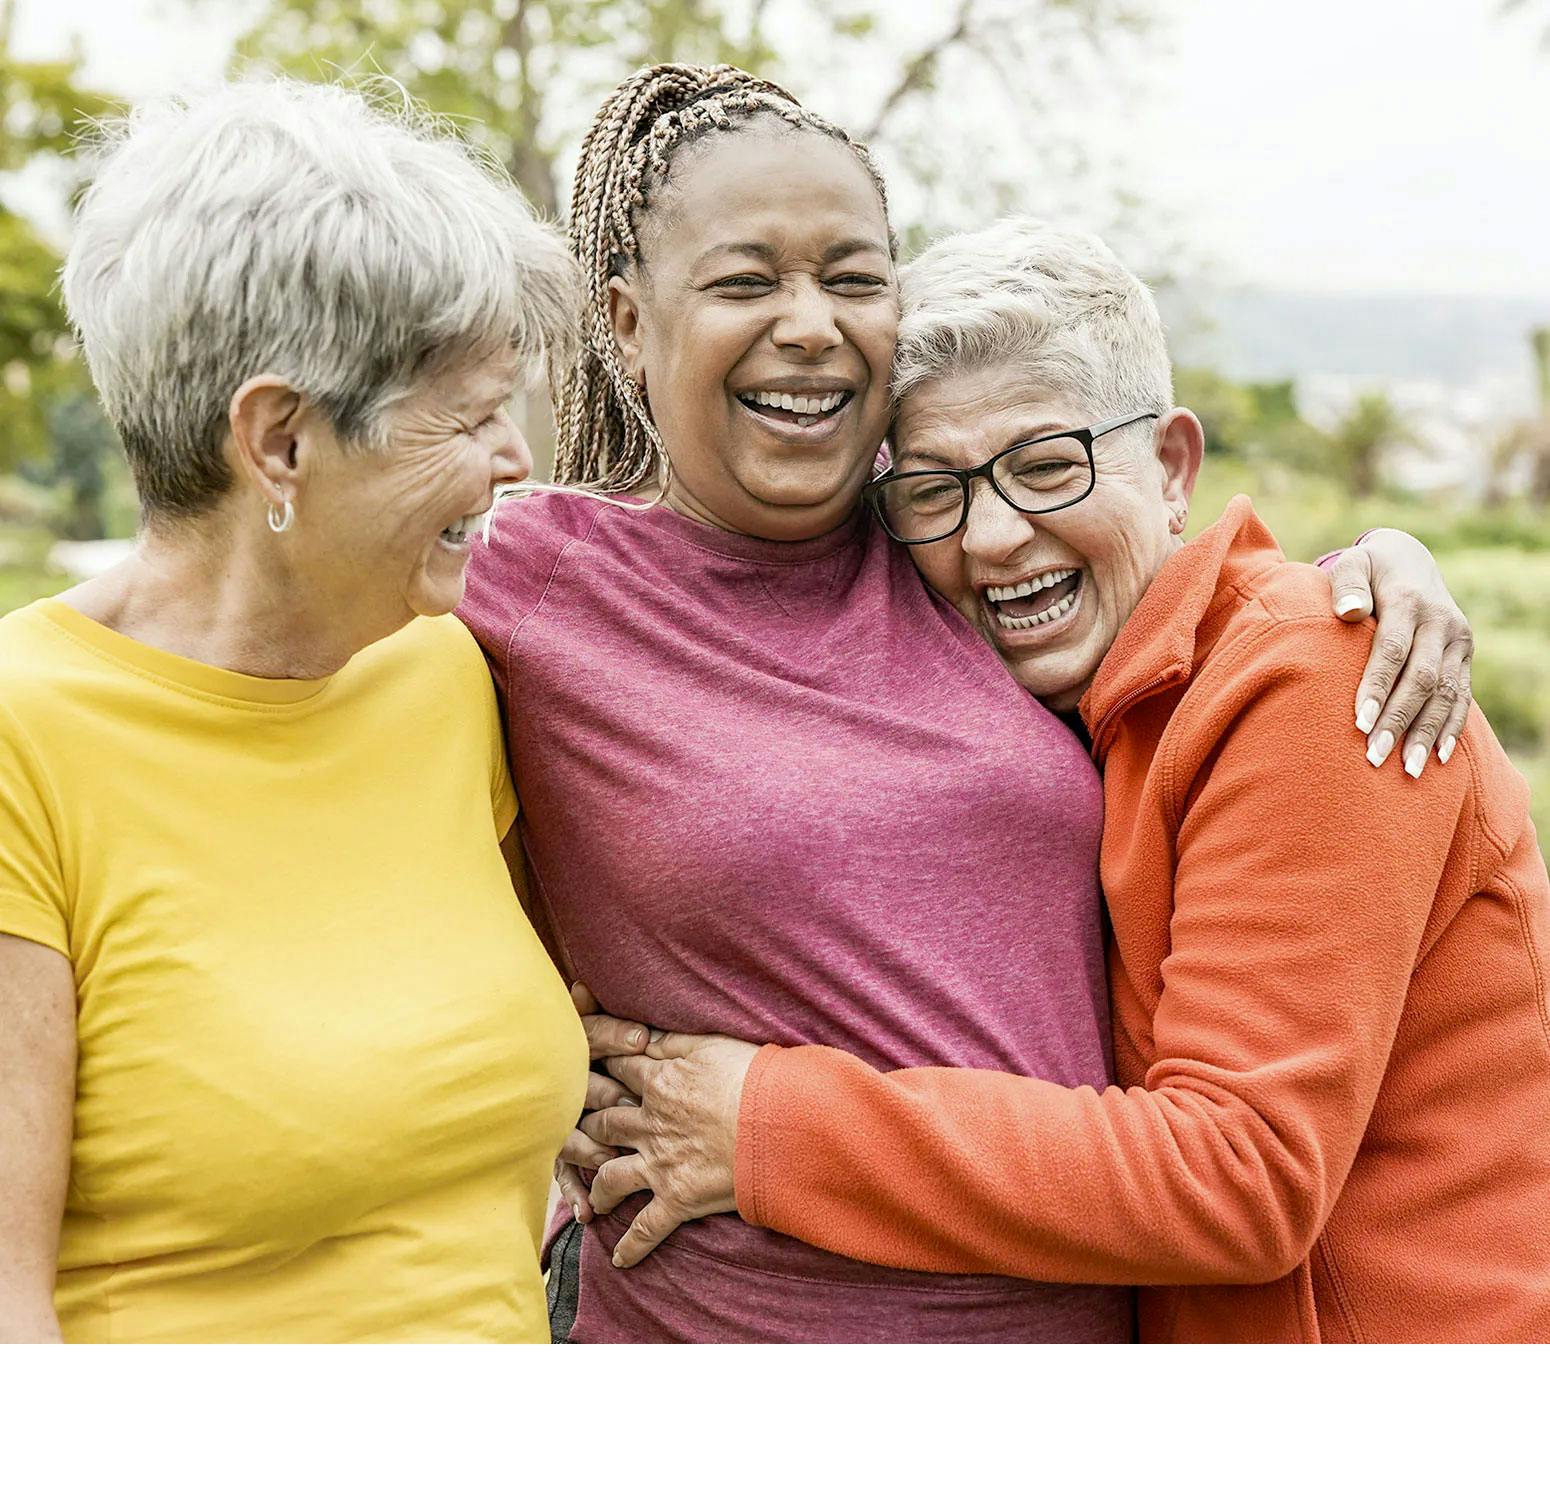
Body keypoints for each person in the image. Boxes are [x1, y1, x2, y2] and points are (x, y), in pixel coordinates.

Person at [461, 64, 1476, 1343]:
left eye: (849, 275)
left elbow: (1141, 573)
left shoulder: (935, 545)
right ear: (621, 319)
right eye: (742, 280)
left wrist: (1364, 569)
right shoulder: (529, 590)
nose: (808, 323)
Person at [0, 80, 588, 1342]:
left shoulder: (442, 671)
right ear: (277, 442)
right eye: (472, 415)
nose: (516, 461)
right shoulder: (22, 742)